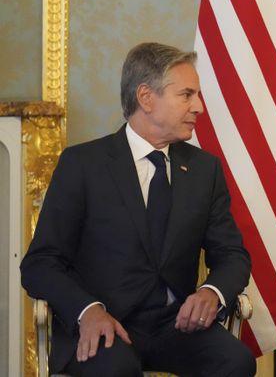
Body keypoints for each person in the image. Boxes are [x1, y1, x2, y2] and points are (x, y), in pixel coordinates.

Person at [21, 42, 255, 376]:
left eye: (197, 95)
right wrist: (87, 310)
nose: (199, 107)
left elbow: (232, 254)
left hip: (177, 327)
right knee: (117, 371)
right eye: (187, 95)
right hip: (105, 324)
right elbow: (40, 263)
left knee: (237, 361)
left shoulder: (205, 171)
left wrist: (211, 291)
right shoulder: (83, 165)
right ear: (146, 98)